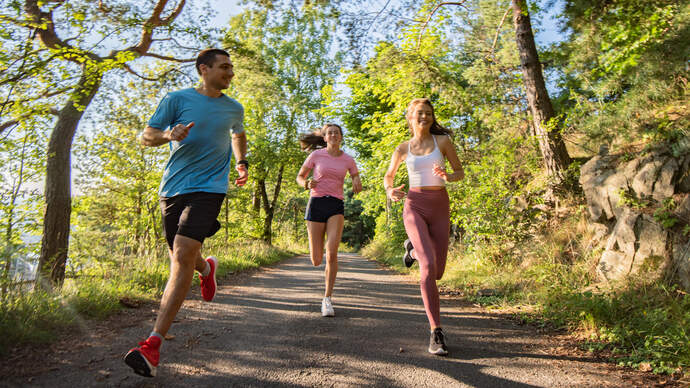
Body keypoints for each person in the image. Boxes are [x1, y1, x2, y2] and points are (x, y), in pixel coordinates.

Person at [124, 48, 249, 378]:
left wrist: (241, 162)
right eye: (224, 67)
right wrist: (168, 134)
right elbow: (146, 136)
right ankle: (206, 269)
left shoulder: (233, 107)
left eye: (231, 68)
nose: (230, 73)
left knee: (179, 255)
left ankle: (152, 345)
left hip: (210, 188)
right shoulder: (176, 99)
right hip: (172, 189)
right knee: (183, 256)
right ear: (203, 69)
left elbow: (238, 134)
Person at [383, 98, 464, 356]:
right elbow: (389, 175)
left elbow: (459, 172)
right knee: (428, 267)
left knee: (437, 273)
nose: (425, 117)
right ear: (410, 117)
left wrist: (448, 176)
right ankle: (436, 331)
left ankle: (413, 252)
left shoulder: (443, 142)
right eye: (420, 113)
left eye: (429, 113)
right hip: (414, 204)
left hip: (440, 206)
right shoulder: (403, 147)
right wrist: (390, 190)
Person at [296, 123, 362, 317]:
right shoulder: (316, 156)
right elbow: (300, 177)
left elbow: (355, 175)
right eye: (329, 133)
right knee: (317, 259)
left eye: (337, 132)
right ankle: (321, 266)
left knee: (331, 252)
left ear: (341, 137)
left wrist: (357, 180)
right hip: (316, 203)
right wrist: (306, 184)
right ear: (325, 138)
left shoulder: (348, 159)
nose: (333, 135)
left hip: (336, 205)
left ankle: (327, 299)